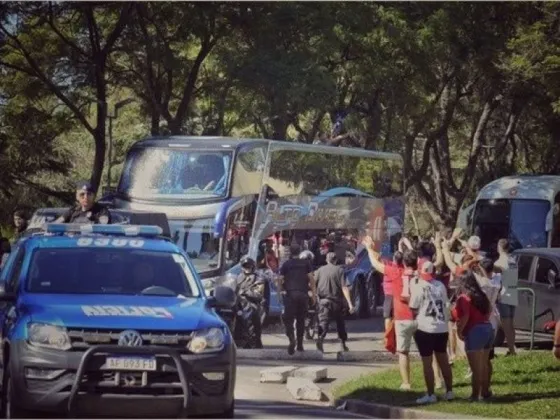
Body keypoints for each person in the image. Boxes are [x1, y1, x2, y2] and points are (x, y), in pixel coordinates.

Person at [409, 261, 454, 404]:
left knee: (427, 362)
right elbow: (446, 303)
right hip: (441, 327)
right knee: (443, 360)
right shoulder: (440, 285)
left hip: (425, 327)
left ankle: (430, 394)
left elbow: (413, 307)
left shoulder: (419, 286)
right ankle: (449, 391)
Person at [451, 271, 494, 402]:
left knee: (475, 367)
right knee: (485, 364)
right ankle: (485, 391)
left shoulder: (464, 298)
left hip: (474, 331)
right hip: (487, 328)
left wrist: (459, 331)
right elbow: (490, 309)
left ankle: (475, 395)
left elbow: (465, 317)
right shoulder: (481, 295)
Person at [277, 244, 316, 355]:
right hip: (303, 295)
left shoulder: (286, 264)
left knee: (288, 319)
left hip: (290, 295)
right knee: (301, 320)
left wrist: (279, 294)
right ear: (300, 252)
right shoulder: (306, 263)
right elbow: (312, 280)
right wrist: (313, 295)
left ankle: (291, 339)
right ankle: (299, 344)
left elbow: (280, 280)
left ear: (290, 252)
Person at [314, 252, 355, 353]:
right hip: (337, 302)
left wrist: (314, 299)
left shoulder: (319, 271)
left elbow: (313, 285)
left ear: (326, 260)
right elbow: (344, 287)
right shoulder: (340, 270)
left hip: (323, 302)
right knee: (340, 324)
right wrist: (350, 304)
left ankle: (320, 339)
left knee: (323, 323)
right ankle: (343, 344)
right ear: (336, 260)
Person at [362, 236, 404, 333]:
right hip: (401, 296)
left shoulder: (389, 267)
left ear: (394, 258)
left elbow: (376, 261)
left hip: (390, 295)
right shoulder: (405, 268)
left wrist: (369, 249)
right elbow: (378, 257)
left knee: (388, 316)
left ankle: (389, 336)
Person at [392, 249, 420, 390]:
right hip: (420, 316)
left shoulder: (397, 274)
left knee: (403, 352)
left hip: (402, 317)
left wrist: (369, 249)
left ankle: (406, 383)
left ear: (403, 262)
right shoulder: (421, 275)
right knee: (429, 352)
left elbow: (378, 265)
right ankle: (438, 380)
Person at [494, 238, 518, 356]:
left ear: (499, 247)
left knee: (506, 324)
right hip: (514, 293)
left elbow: (492, 274)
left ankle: (512, 350)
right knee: (511, 323)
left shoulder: (500, 262)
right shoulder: (513, 260)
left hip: (504, 293)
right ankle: (512, 347)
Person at [236, 256, 265, 349]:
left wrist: (245, 292)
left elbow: (258, 294)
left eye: (249, 266)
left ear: (253, 266)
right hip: (237, 302)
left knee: (250, 310)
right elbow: (231, 287)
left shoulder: (258, 278)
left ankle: (252, 340)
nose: (247, 268)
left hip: (252, 302)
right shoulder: (238, 277)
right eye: (245, 266)